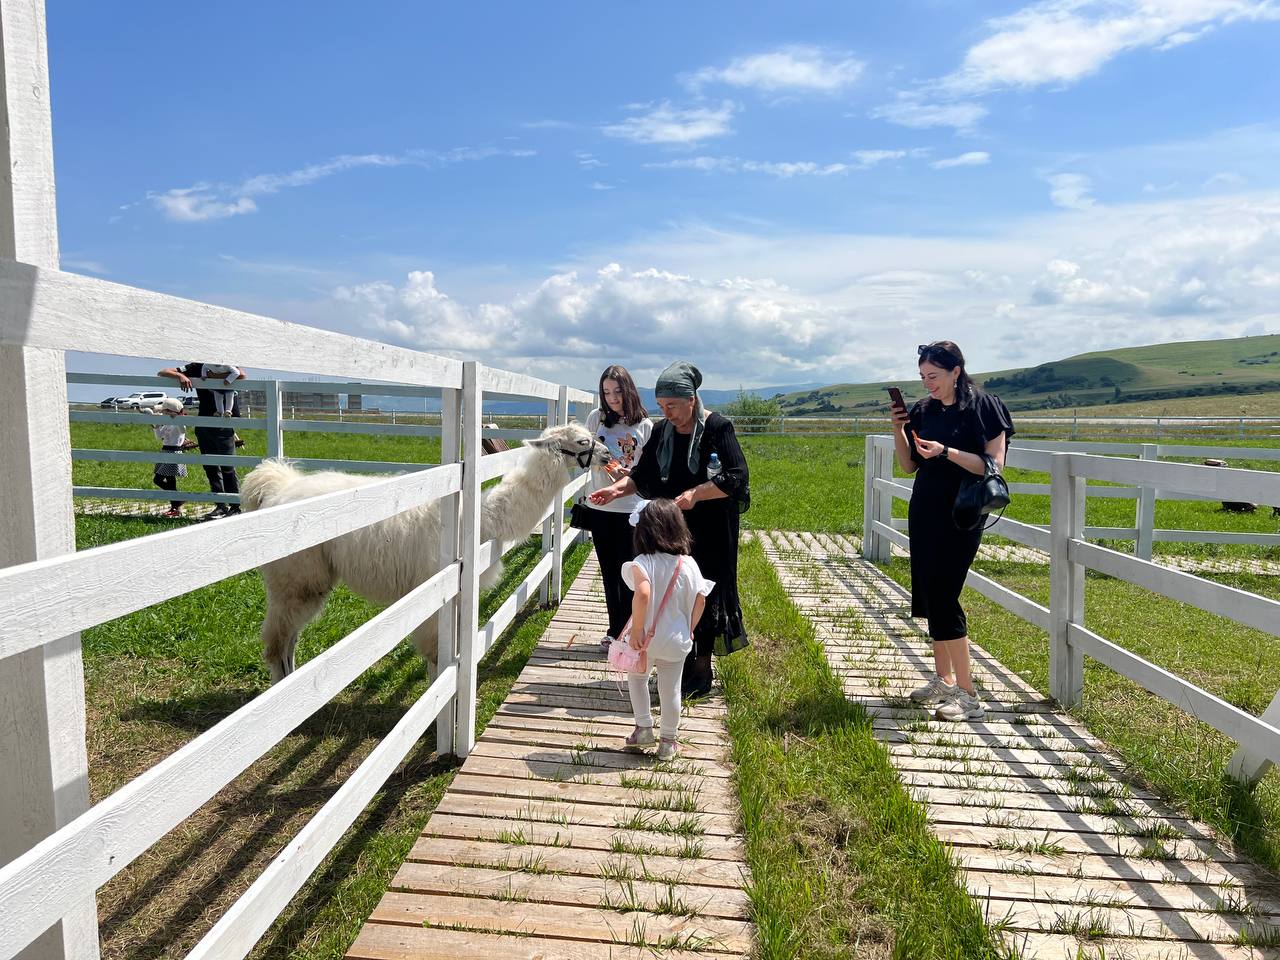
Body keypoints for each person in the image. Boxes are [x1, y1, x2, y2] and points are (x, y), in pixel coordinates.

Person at [590, 360, 749, 698]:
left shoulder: (718, 428)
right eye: (662, 407)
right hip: (672, 530)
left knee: (703, 592)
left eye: (673, 406)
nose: (668, 413)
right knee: (673, 594)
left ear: (692, 399)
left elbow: (735, 477)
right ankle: (675, 663)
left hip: (712, 527)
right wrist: (615, 490)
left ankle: (701, 670)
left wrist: (696, 494)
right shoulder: (662, 433)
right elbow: (642, 476)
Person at [890, 340, 1015, 721]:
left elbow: (993, 466)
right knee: (929, 595)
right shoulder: (924, 409)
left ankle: (968, 694)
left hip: (962, 510)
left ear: (956, 371)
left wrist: (946, 451)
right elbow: (909, 466)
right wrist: (900, 430)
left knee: (945, 595)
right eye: (922, 376)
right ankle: (943, 680)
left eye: (934, 376)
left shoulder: (984, 406)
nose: (927, 383)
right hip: (925, 506)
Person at [620, 499, 714, 761]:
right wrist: (690, 628)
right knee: (670, 689)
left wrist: (637, 629)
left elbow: (642, 593)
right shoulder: (689, 564)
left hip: (645, 639)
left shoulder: (643, 562)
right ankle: (668, 743)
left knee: (638, 679)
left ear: (644, 530)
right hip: (677, 639)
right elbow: (701, 599)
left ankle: (644, 728)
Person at [583, 365, 654, 649]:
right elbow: (584, 455)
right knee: (609, 571)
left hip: (632, 509)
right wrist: (604, 465)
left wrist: (629, 476)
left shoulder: (645, 426)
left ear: (629, 390)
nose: (612, 398)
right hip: (601, 507)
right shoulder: (595, 420)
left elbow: (648, 470)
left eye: (617, 391)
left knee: (632, 572)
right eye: (606, 392)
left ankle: (632, 627)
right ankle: (614, 629)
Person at [158, 361, 246, 520]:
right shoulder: (196, 366)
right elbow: (163, 372)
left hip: (225, 421)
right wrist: (179, 375)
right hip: (204, 420)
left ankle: (235, 506)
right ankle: (220, 506)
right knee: (210, 466)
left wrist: (213, 375)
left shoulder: (225, 361)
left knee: (227, 466)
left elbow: (241, 374)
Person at [151, 397, 189, 518]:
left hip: (174, 452)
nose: (162, 413)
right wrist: (156, 426)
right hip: (165, 451)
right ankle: (176, 504)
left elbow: (182, 430)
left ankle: (177, 503)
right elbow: (159, 436)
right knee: (169, 481)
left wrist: (176, 419)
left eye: (164, 411)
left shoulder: (179, 422)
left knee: (160, 480)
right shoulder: (167, 423)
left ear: (170, 411)